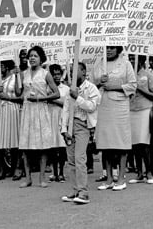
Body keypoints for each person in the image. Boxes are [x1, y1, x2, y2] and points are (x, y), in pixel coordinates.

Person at [93, 46, 137, 191]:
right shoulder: (99, 63)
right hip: (104, 105)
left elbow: (132, 85)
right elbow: (91, 84)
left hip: (120, 107)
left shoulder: (125, 63)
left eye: (112, 48)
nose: (109, 51)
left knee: (120, 142)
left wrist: (115, 86)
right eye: (107, 48)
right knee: (106, 143)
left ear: (118, 49)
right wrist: (100, 82)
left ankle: (121, 178)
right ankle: (109, 179)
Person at [18, 46, 60, 188]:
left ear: (41, 58)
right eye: (30, 56)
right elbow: (20, 93)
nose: (32, 58)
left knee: (42, 146)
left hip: (40, 110)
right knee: (25, 146)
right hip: (27, 111)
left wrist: (42, 99)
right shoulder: (24, 74)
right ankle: (28, 177)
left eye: (35, 56)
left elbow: (56, 93)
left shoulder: (45, 74)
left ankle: (42, 177)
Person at [60, 62, 101, 204]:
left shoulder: (91, 88)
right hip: (70, 126)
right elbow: (65, 109)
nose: (72, 73)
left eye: (75, 70)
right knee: (71, 160)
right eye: (70, 70)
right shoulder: (69, 89)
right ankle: (75, 189)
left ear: (83, 71)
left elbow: (91, 107)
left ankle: (84, 192)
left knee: (80, 159)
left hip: (83, 126)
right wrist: (64, 129)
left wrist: (77, 97)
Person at [0, 60, 22, 181]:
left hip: (11, 109)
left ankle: (16, 168)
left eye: (1, 66)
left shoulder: (15, 78)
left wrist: (8, 97)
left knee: (13, 140)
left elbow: (20, 96)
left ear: (7, 67)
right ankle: (2, 169)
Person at [128, 55, 153, 184]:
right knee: (135, 144)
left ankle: (149, 172)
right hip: (131, 110)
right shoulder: (128, 75)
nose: (132, 61)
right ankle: (139, 173)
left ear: (142, 60)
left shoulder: (148, 75)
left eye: (135, 58)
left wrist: (139, 88)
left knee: (144, 143)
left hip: (145, 110)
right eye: (131, 58)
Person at [48, 64, 69, 183]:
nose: (56, 77)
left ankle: (61, 172)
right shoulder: (47, 88)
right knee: (52, 147)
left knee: (61, 147)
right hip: (50, 117)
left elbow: (66, 104)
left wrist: (52, 99)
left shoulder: (65, 88)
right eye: (54, 74)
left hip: (61, 117)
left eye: (58, 74)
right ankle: (54, 172)